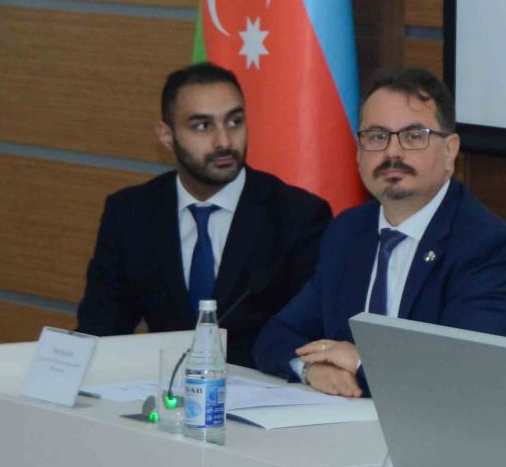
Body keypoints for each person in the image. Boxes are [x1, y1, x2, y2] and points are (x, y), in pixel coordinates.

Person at [253, 67, 506, 395]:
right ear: (358, 152)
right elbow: (276, 336)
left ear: (450, 150)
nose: (392, 152)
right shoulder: (347, 232)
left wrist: (361, 365)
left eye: (413, 136)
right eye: (377, 137)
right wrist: (311, 368)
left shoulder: (486, 247)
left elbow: (469, 374)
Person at [76, 62, 332, 368]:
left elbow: (306, 338)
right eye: (202, 126)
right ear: (166, 135)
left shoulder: (299, 216)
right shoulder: (131, 213)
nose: (224, 141)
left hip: (259, 388)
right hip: (165, 387)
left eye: (234, 121)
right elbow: (101, 329)